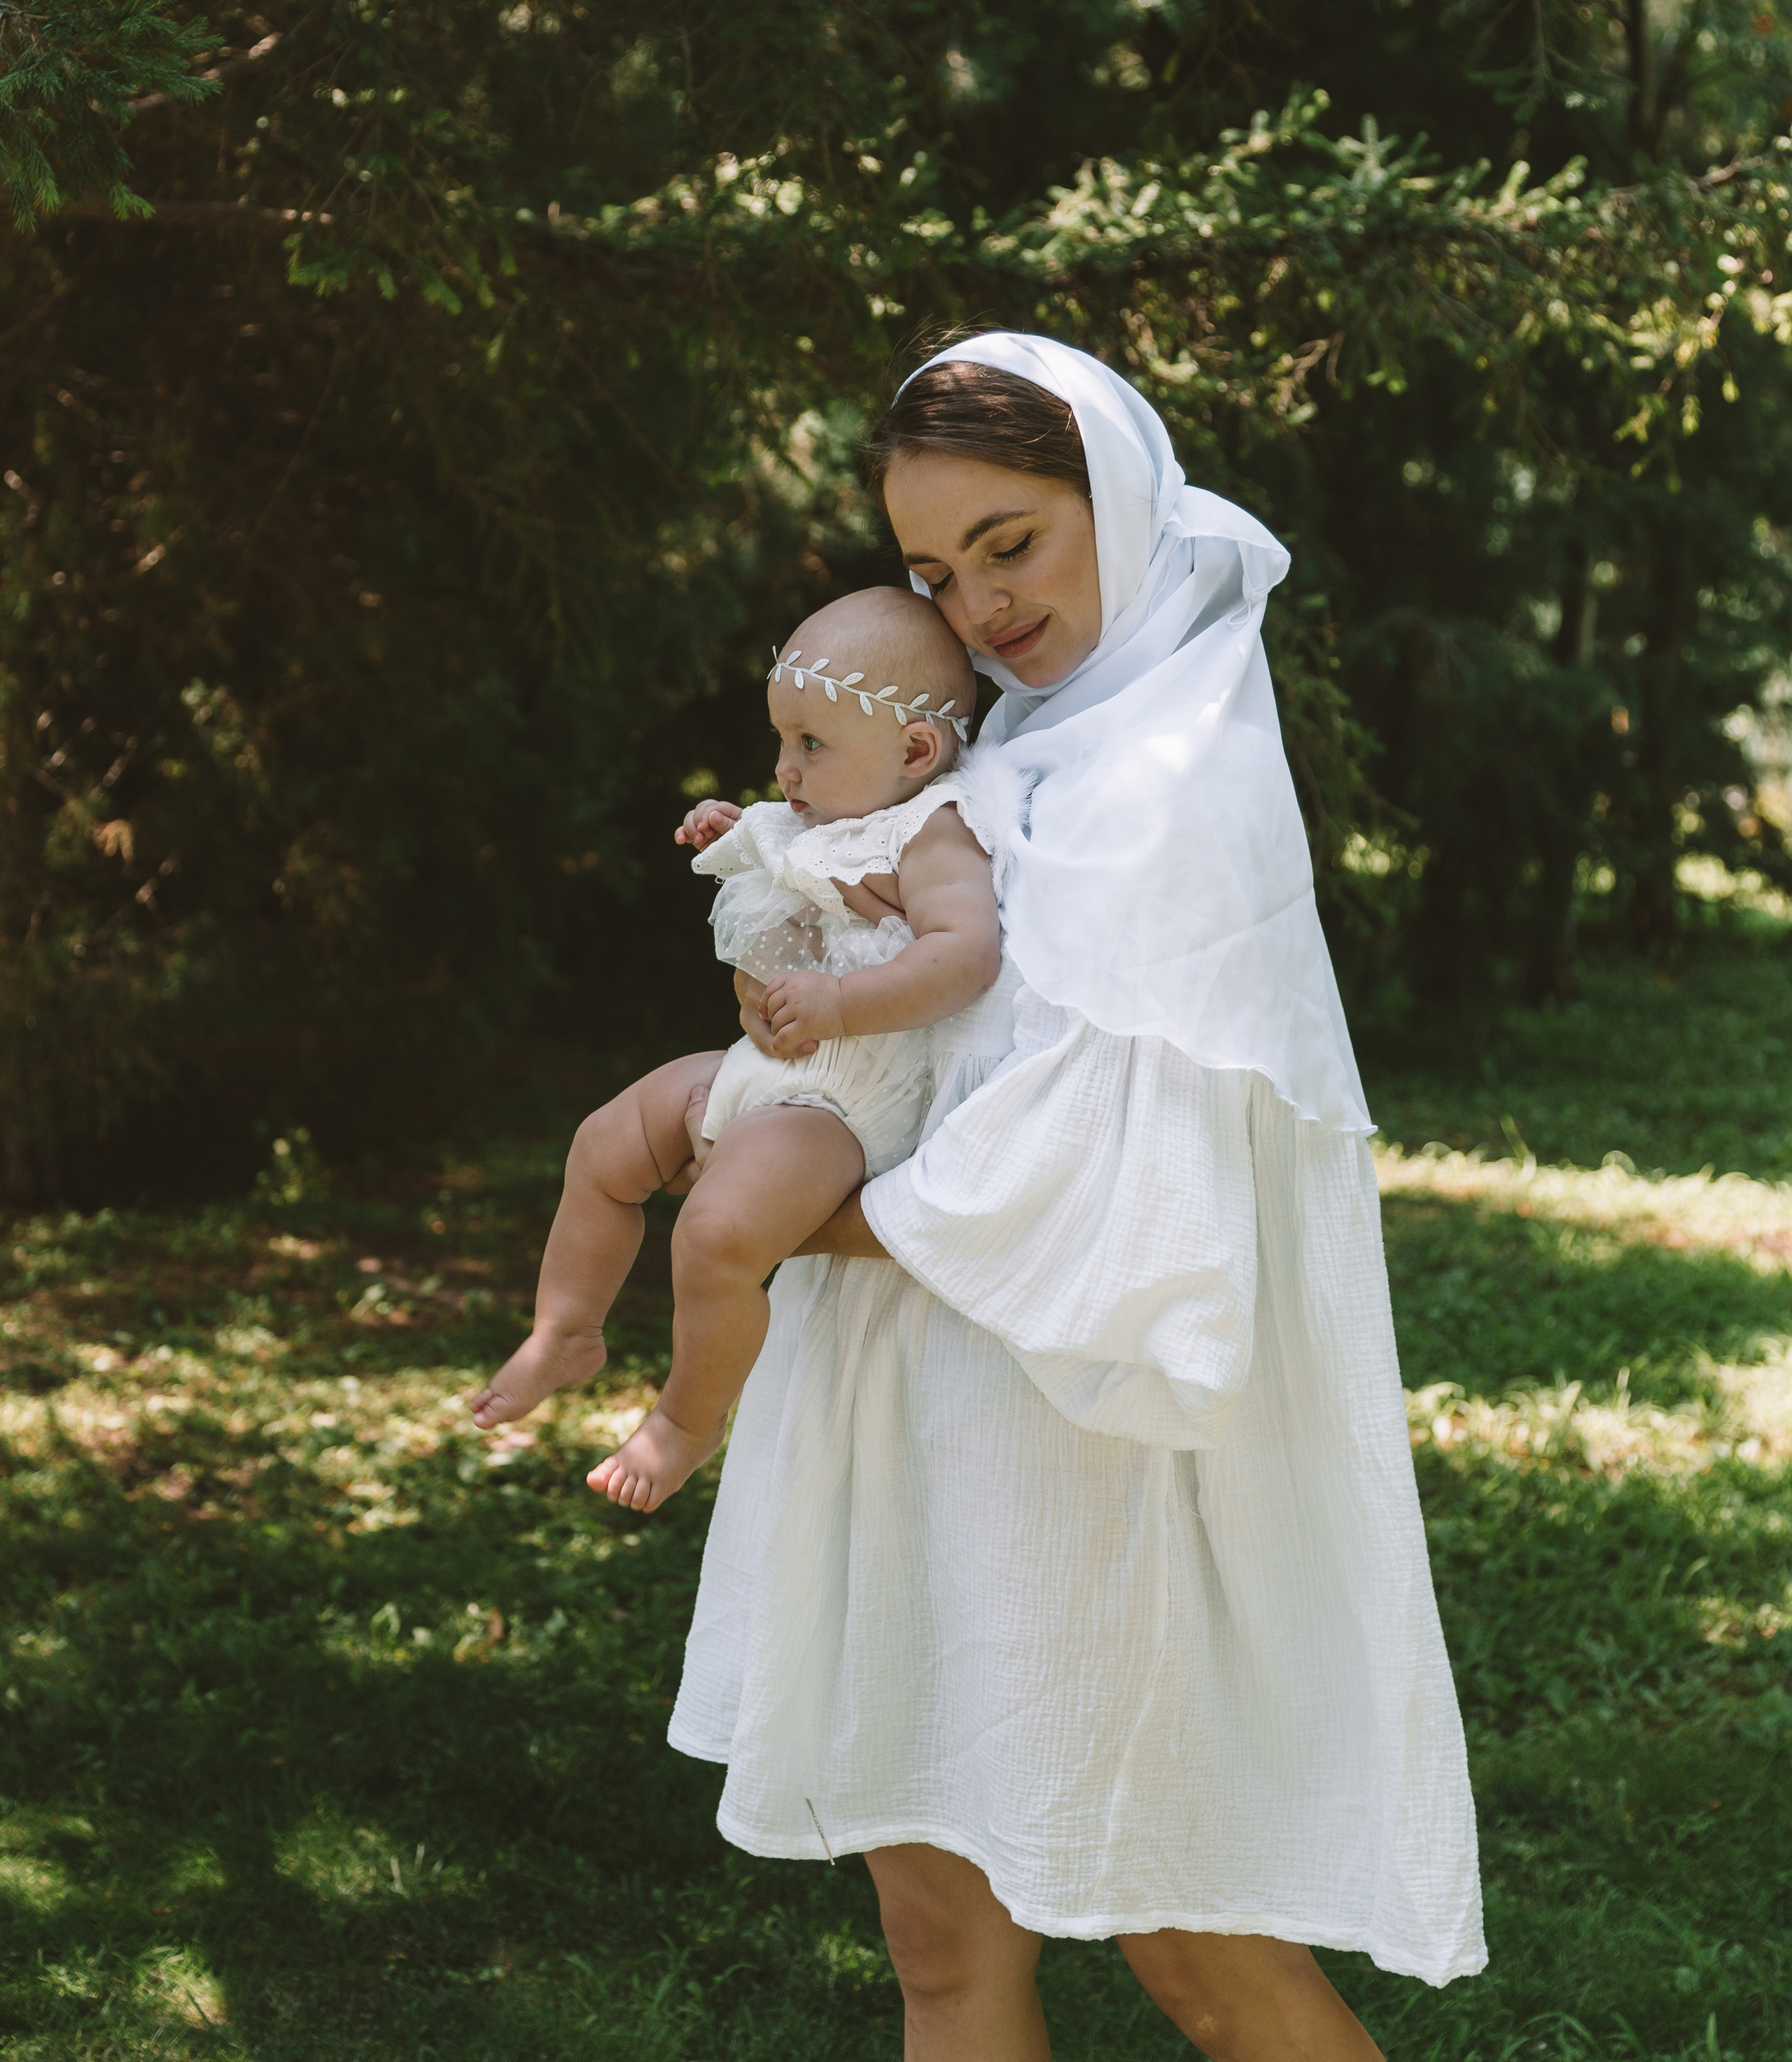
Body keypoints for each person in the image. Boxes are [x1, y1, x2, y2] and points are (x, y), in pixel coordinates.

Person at [668, 335, 1485, 2061]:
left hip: (1082, 1438)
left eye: (1011, 543)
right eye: (931, 572)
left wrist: (757, 1205)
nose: (976, 607)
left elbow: (1093, 1172)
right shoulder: (998, 752)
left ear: (1115, 499)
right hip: (906, 1408)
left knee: (1199, 1953)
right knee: (937, 1950)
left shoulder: (1174, 784)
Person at [472, 585, 1004, 1512]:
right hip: (770, 1072)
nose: (785, 768)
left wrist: (843, 1002)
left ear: (916, 751)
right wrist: (738, 835)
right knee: (604, 1144)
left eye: (811, 744)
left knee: (714, 1234)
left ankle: (686, 1421)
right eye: (781, 740)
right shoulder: (822, 816)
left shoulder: (930, 834)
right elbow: (777, 909)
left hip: (844, 1107)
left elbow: (965, 955)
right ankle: (566, 1329)